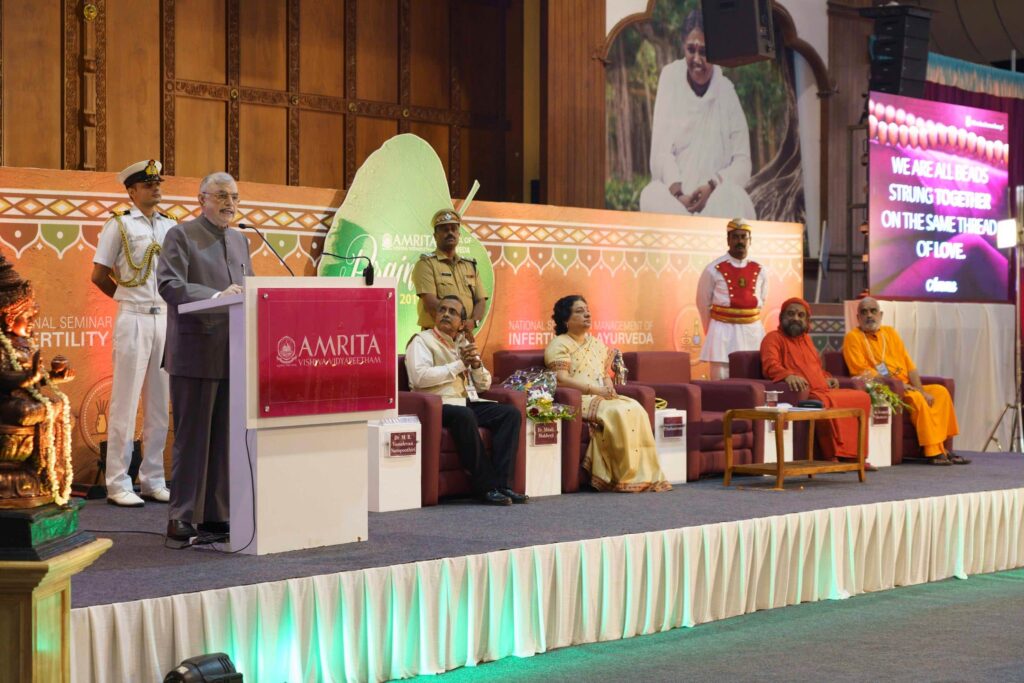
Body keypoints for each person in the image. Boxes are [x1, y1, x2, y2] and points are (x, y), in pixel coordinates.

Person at [157, 171, 253, 541]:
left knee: (226, 440)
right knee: (193, 437)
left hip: (234, 352)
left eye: (235, 197)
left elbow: (250, 288)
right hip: (196, 351)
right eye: (222, 196)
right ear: (202, 199)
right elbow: (169, 284)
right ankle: (181, 515)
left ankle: (216, 513)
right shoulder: (180, 235)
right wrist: (215, 296)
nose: (230, 203)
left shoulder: (242, 240)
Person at [90, 160, 175, 508]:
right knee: (125, 404)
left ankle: (153, 478)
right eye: (147, 184)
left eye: (157, 183)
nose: (155, 188)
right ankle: (117, 482)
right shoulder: (119, 225)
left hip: (165, 319)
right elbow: (99, 275)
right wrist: (127, 300)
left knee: (159, 406)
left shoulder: (171, 227)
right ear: (131, 190)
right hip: (134, 317)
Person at [405, 295, 527, 506]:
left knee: (510, 414)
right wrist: (460, 365)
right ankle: (486, 487)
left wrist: (476, 365)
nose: (445, 314)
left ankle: (503, 485)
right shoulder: (422, 341)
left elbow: (484, 386)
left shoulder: (462, 343)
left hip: (465, 401)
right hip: (436, 405)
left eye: (452, 312)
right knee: (464, 414)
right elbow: (420, 377)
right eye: (442, 309)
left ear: (462, 324)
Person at [545, 295, 671, 492]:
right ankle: (625, 476)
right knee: (618, 412)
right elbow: (561, 379)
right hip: (580, 399)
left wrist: (608, 386)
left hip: (601, 395)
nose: (587, 314)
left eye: (587, 310)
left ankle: (645, 474)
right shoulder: (559, 344)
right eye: (579, 311)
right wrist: (595, 390)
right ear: (565, 320)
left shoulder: (596, 344)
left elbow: (602, 373)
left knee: (635, 407)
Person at [639, 8, 756, 219]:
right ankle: (685, 234)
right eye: (691, 49)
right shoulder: (670, 78)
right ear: (683, 45)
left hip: (715, 204)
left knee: (734, 197)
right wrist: (678, 193)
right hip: (677, 205)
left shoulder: (726, 91)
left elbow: (743, 164)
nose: (696, 59)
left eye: (704, 51)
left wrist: (712, 186)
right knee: (650, 194)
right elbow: (661, 153)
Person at [843, 297, 967, 465]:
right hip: (886, 389)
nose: (869, 316)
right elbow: (861, 372)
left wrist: (921, 390)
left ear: (881, 314)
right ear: (857, 318)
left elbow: (910, 367)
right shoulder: (853, 337)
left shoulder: (890, 333)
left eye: (873, 311)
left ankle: (944, 447)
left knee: (940, 392)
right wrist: (901, 386)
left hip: (907, 385)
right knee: (916, 399)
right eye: (864, 312)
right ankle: (933, 452)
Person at [761, 297, 875, 470]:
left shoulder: (807, 340)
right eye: (791, 314)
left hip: (823, 388)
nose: (796, 318)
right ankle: (833, 456)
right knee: (823, 403)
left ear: (807, 321)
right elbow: (770, 365)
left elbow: (816, 368)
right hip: (807, 394)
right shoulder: (773, 338)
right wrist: (787, 376)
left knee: (861, 397)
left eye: (801, 315)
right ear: (782, 317)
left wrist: (827, 377)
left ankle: (855, 456)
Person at [696, 217, 767, 379]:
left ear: (750, 241)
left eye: (744, 237)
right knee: (721, 378)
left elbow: (762, 300)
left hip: (752, 332)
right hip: (722, 332)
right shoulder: (713, 269)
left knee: (754, 375)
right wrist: (713, 330)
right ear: (728, 240)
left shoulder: (761, 270)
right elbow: (702, 302)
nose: (740, 241)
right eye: (735, 237)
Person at [411, 209, 488, 341]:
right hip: (435, 338)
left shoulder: (470, 266)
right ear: (435, 236)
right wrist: (461, 325)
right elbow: (431, 304)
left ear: (459, 234)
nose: (450, 233)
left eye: (453, 229)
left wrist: (473, 322)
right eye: (445, 230)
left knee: (470, 362)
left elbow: (480, 300)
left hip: (464, 337)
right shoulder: (426, 264)